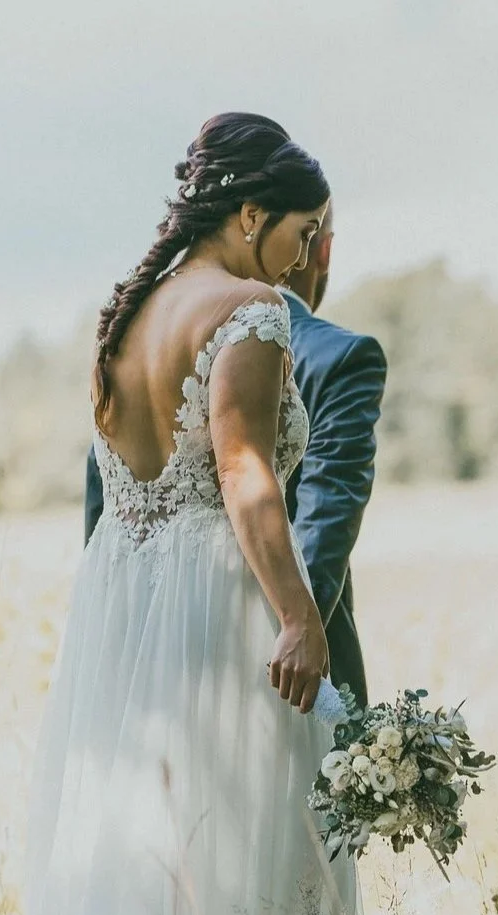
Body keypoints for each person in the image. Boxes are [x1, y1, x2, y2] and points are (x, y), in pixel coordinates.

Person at [0, 113, 362, 915]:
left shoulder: (125, 314)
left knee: (132, 860)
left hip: (124, 601)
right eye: (303, 230)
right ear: (249, 214)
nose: (310, 256)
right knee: (249, 861)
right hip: (212, 607)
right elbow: (244, 475)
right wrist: (298, 615)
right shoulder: (250, 314)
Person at [85, 217, 384, 705]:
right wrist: (289, 632)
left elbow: (109, 507)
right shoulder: (338, 354)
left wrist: (120, 636)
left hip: (143, 645)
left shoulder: (133, 321)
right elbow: (323, 522)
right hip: (275, 658)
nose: (303, 254)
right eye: (303, 235)